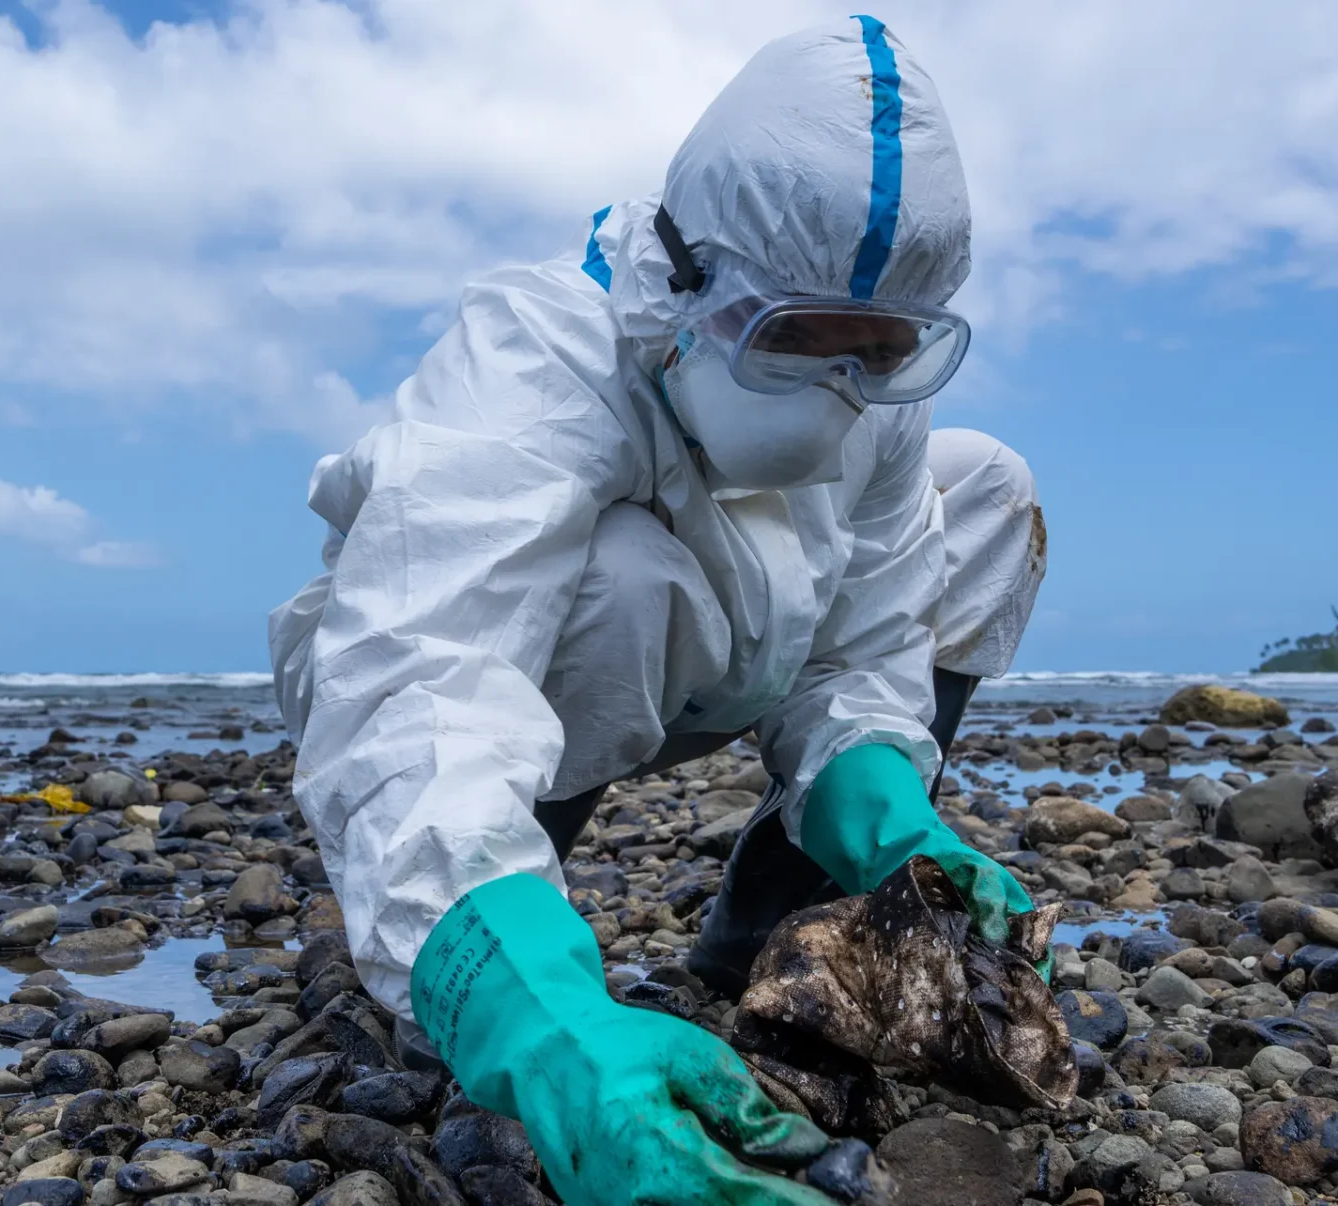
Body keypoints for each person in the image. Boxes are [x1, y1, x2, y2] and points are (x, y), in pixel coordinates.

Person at [268, 16, 1047, 1206]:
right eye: (802, 345)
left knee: (989, 491)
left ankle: (789, 929)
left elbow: (874, 628)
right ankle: (513, 938)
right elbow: (421, 683)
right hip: (533, 663)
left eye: (883, 352)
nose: (846, 393)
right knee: (620, 575)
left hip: (742, 636)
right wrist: (545, 1025)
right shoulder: (543, 358)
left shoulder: (876, 398)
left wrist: (897, 823)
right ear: (701, 281)